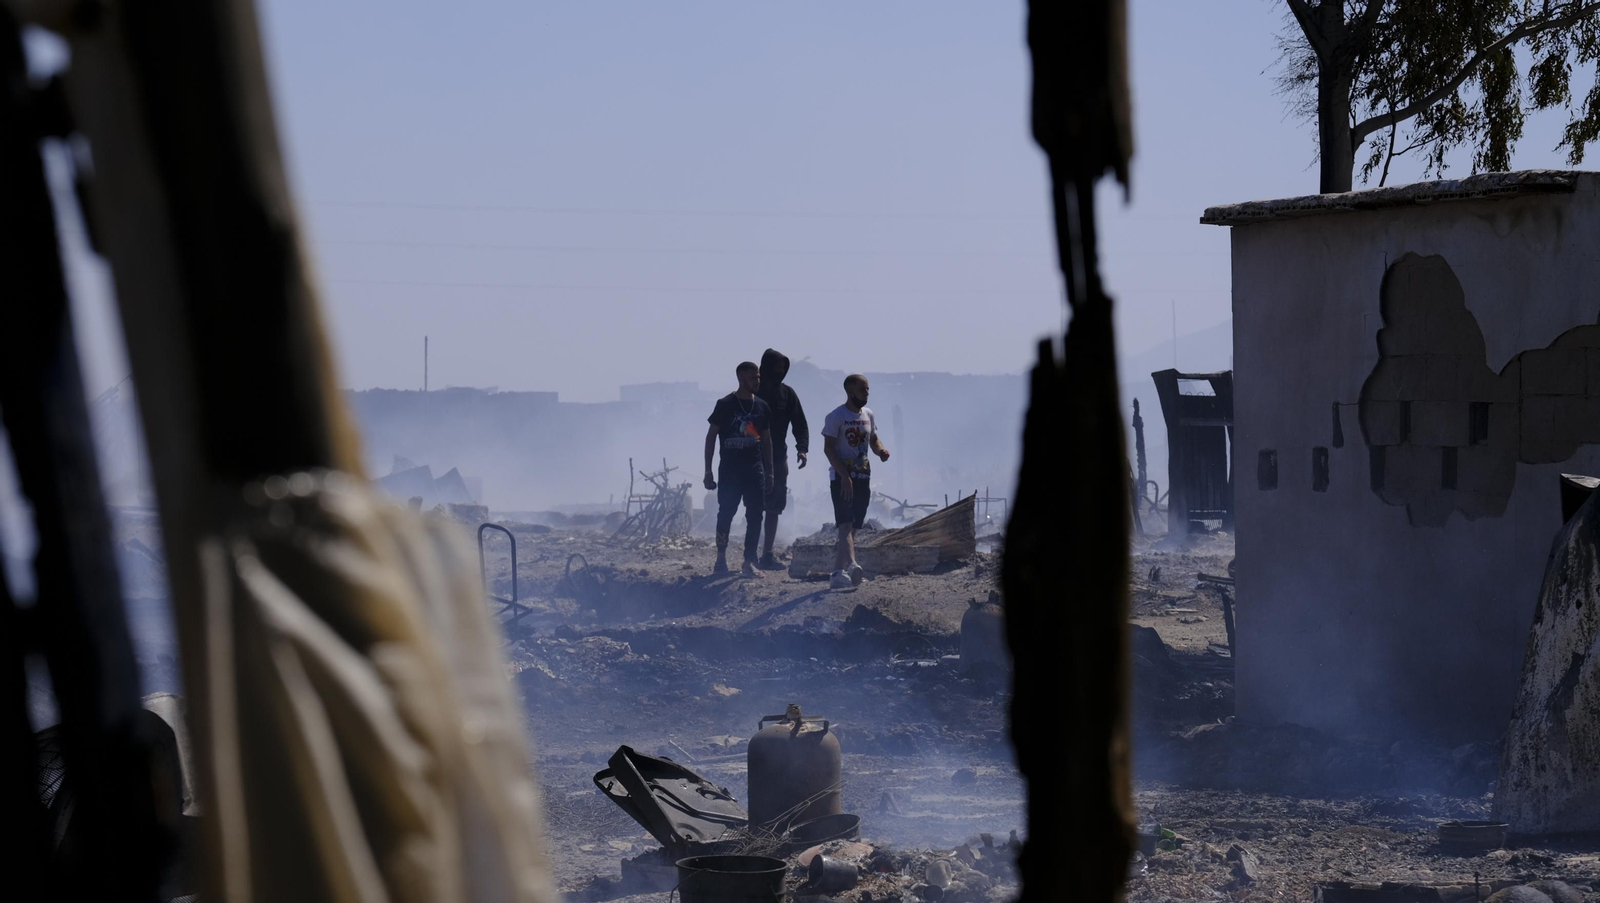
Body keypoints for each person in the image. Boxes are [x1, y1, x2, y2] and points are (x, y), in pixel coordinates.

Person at [704, 361, 775, 576]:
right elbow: (711, 437)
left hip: (755, 471)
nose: (757, 381)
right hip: (729, 472)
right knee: (726, 514)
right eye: (754, 378)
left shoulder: (762, 406)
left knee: (755, 516)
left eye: (759, 377)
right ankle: (721, 559)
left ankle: (748, 562)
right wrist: (708, 471)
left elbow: (767, 441)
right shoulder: (725, 404)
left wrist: (770, 471)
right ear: (741, 378)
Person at [821, 373, 890, 591]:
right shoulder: (836, 417)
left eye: (867, 389)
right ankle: (852, 566)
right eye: (862, 390)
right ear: (850, 391)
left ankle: (836, 573)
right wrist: (843, 476)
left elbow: (873, 439)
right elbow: (829, 448)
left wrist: (881, 451)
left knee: (854, 528)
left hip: (863, 476)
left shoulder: (868, 414)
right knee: (845, 523)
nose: (866, 393)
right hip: (842, 479)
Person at [754, 348, 809, 570]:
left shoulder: (787, 394)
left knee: (774, 506)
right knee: (753, 505)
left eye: (783, 368)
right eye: (776, 368)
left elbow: (800, 423)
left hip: (778, 458)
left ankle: (767, 555)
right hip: (752, 457)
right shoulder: (753, 393)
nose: (780, 372)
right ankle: (750, 555)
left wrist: (802, 449)